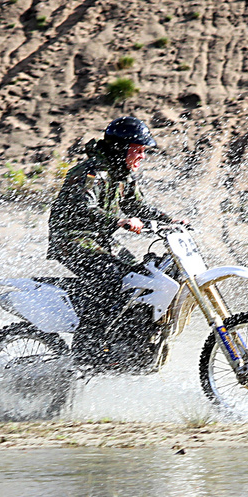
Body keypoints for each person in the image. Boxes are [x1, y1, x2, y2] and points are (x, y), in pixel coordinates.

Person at [47, 115, 180, 360]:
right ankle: (87, 351)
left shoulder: (122, 175)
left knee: (141, 276)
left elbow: (137, 206)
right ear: (120, 149)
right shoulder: (91, 173)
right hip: (73, 240)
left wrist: (170, 221)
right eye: (137, 150)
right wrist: (118, 220)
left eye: (144, 151)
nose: (142, 156)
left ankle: (130, 338)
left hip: (99, 241)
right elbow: (81, 208)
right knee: (114, 281)